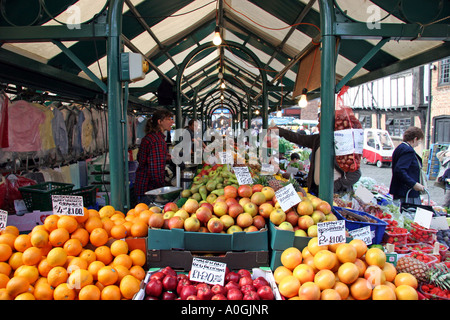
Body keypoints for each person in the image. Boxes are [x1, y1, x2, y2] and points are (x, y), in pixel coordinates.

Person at [269, 115, 361, 195]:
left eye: (320, 122)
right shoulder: (318, 139)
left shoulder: (343, 144)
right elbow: (298, 138)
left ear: (330, 124)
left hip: (335, 195)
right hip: (317, 192)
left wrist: (333, 187)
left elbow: (355, 174)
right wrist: (278, 130)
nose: (317, 125)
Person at [134, 109, 174, 203]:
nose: (172, 122)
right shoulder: (157, 141)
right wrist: (163, 190)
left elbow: (142, 158)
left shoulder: (151, 137)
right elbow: (156, 171)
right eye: (169, 119)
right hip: (149, 190)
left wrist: (164, 157)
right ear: (160, 122)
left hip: (142, 185)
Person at [389, 126, 425, 205]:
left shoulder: (400, 147)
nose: (418, 144)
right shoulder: (408, 150)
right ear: (415, 139)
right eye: (419, 141)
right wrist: (413, 184)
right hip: (406, 192)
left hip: (400, 190)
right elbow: (399, 170)